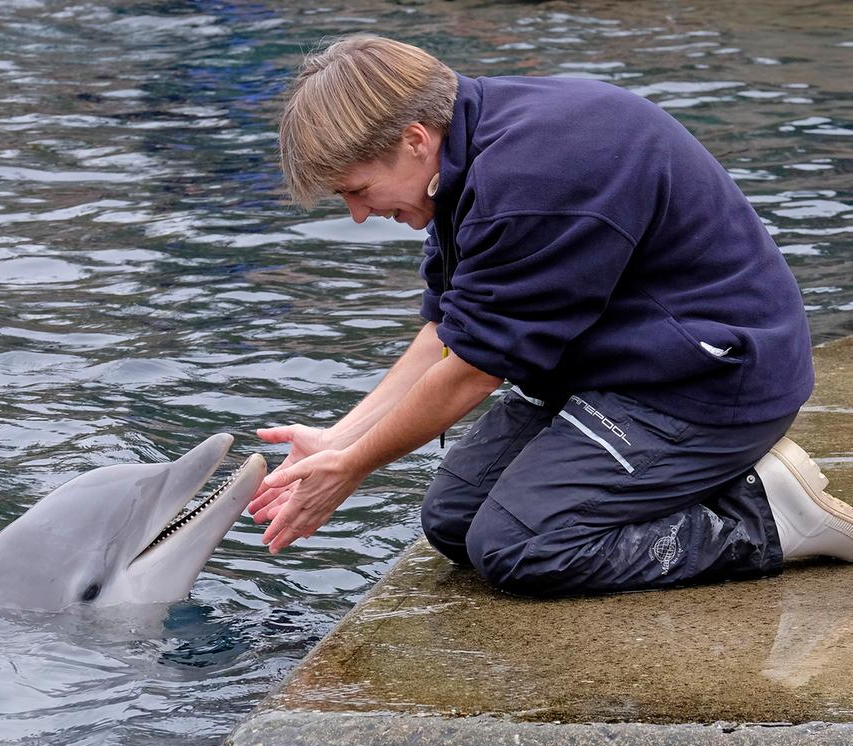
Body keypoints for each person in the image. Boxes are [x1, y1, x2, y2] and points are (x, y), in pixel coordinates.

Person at [247, 35, 853, 596]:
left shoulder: (534, 176)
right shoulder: (464, 151)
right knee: (454, 522)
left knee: (520, 548)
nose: (357, 214)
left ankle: (761, 519)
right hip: (616, 366)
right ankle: (692, 481)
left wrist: (353, 467)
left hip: (709, 386)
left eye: (357, 190)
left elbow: (473, 371)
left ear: (413, 140)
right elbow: (448, 334)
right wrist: (341, 437)